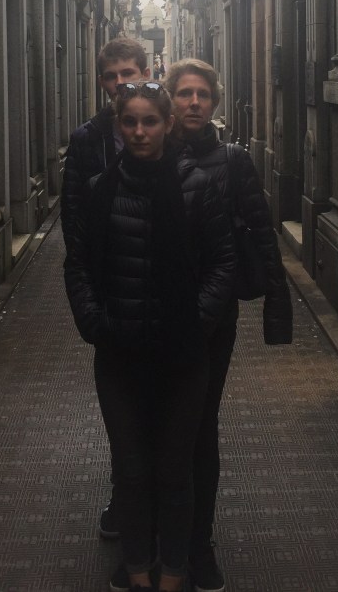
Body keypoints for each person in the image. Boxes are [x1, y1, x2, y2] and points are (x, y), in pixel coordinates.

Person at [64, 81, 236, 592]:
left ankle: (174, 574)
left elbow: (222, 264)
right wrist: (94, 322)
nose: (140, 131)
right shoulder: (100, 188)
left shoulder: (197, 186)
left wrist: (193, 323)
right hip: (120, 358)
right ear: (119, 127)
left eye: (150, 121)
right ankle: (138, 570)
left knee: (175, 472)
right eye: (130, 122)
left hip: (182, 359)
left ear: (167, 125)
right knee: (132, 470)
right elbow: (79, 264)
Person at [163, 58, 294, 592]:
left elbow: (262, 232)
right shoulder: (151, 154)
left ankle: (200, 545)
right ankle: (156, 537)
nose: (194, 102)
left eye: (203, 94)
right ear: (170, 99)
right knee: (155, 427)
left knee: (200, 430)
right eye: (184, 93)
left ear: (215, 102)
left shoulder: (234, 161)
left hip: (214, 321)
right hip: (154, 319)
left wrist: (277, 309)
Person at [61, 36, 150, 251]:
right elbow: (72, 209)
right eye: (111, 76)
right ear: (101, 82)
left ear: (146, 75)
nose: (119, 83)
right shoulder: (86, 138)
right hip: (106, 253)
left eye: (127, 73)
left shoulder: (167, 131)